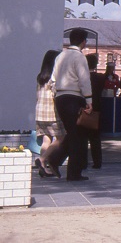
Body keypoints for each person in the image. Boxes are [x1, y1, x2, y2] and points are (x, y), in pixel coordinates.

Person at [48, 28, 93, 182]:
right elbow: (84, 80)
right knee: (78, 136)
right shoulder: (79, 57)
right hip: (74, 98)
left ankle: (55, 160)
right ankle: (73, 172)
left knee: (73, 133)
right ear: (83, 41)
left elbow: (52, 79)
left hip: (61, 98)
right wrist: (89, 100)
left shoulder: (60, 56)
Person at [34, 50, 63, 178]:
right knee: (61, 138)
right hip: (52, 113)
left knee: (46, 139)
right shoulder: (54, 77)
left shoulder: (40, 77)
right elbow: (57, 95)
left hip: (40, 113)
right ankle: (42, 159)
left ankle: (44, 169)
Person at [86, 53, 104, 169]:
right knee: (95, 138)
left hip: (85, 109)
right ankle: (97, 161)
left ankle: (82, 161)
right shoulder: (100, 77)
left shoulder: (82, 77)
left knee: (82, 136)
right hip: (98, 109)